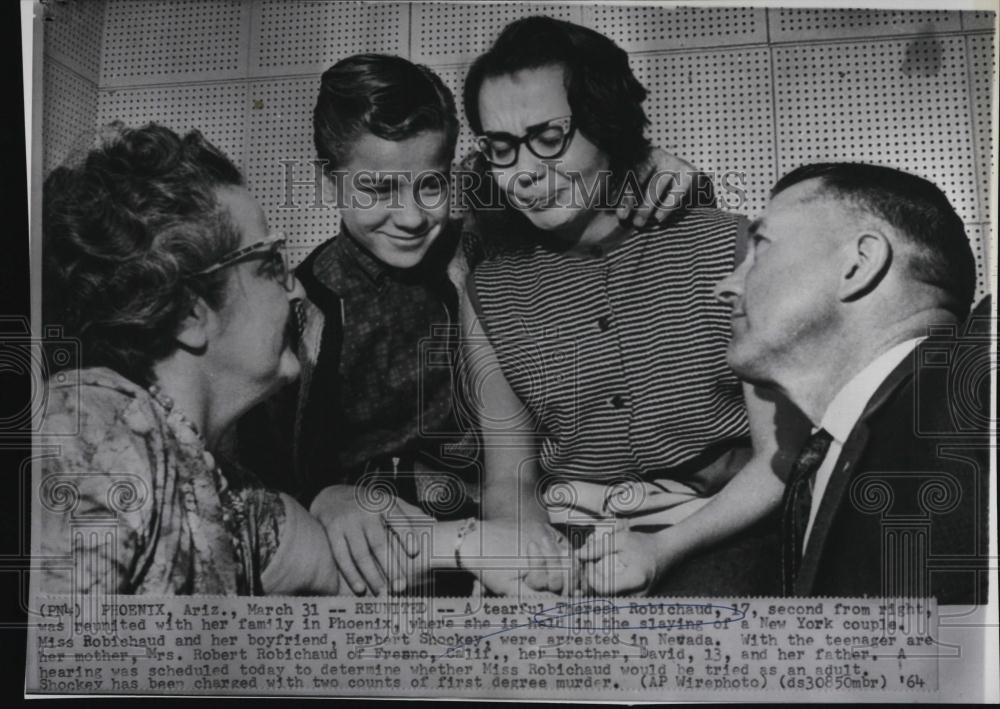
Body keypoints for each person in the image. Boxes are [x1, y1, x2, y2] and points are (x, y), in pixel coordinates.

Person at [241, 53, 701, 597]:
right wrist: (323, 497)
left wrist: (645, 165)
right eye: (380, 191)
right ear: (329, 181)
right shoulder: (299, 307)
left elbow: (581, 188)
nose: (412, 217)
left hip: (525, 521)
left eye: (431, 186)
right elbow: (254, 479)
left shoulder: (487, 232)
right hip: (379, 553)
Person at [461, 16, 808, 596]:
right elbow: (508, 480)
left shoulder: (729, 246)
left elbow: (782, 458)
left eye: (549, 138)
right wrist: (531, 561)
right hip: (565, 525)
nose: (522, 173)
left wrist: (660, 548)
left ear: (606, 123)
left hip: (714, 524)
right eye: (501, 147)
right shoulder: (490, 288)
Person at [37, 123, 340, 595]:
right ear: (188, 315)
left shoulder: (224, 493)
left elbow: (333, 564)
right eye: (271, 264)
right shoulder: (92, 429)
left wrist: (344, 502)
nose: (297, 289)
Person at [715, 162, 990, 603]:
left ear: (858, 264)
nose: (725, 286)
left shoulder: (975, 389)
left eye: (761, 245)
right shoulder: (826, 464)